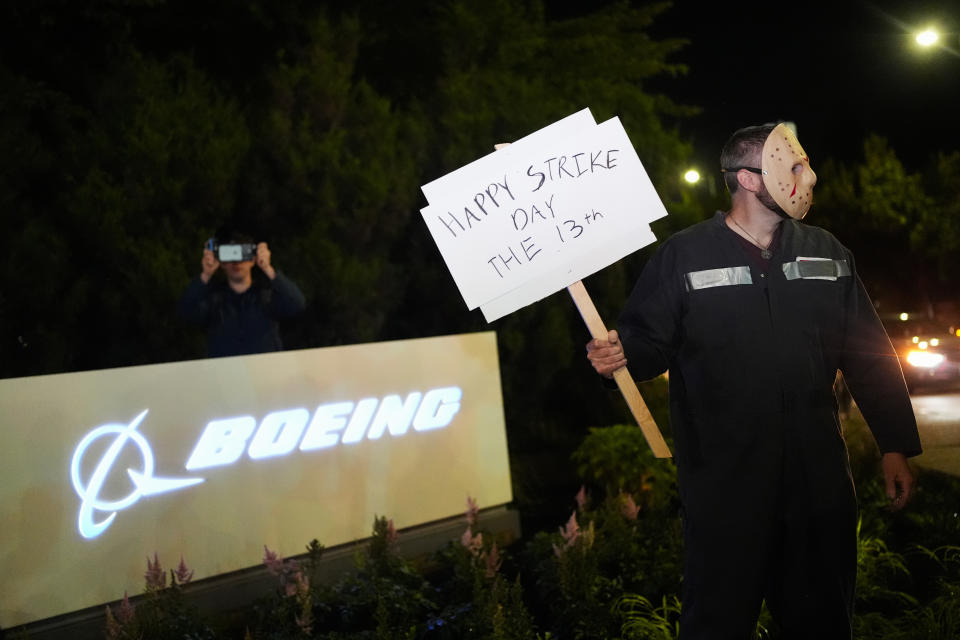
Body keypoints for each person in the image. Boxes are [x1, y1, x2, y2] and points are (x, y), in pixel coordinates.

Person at [586, 123, 921, 639]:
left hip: (818, 479)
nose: (807, 174)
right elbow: (647, 343)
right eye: (791, 165)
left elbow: (870, 356)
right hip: (724, 483)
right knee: (718, 621)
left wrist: (895, 443)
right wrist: (619, 355)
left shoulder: (827, 251)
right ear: (748, 178)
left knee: (823, 620)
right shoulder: (684, 256)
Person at [179, 233, 306, 357]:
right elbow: (186, 311)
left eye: (242, 254)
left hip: (265, 373)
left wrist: (268, 269)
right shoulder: (213, 300)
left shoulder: (267, 297)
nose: (236, 261)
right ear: (221, 262)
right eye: (229, 254)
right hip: (226, 374)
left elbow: (296, 303)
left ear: (253, 259)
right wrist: (206, 275)